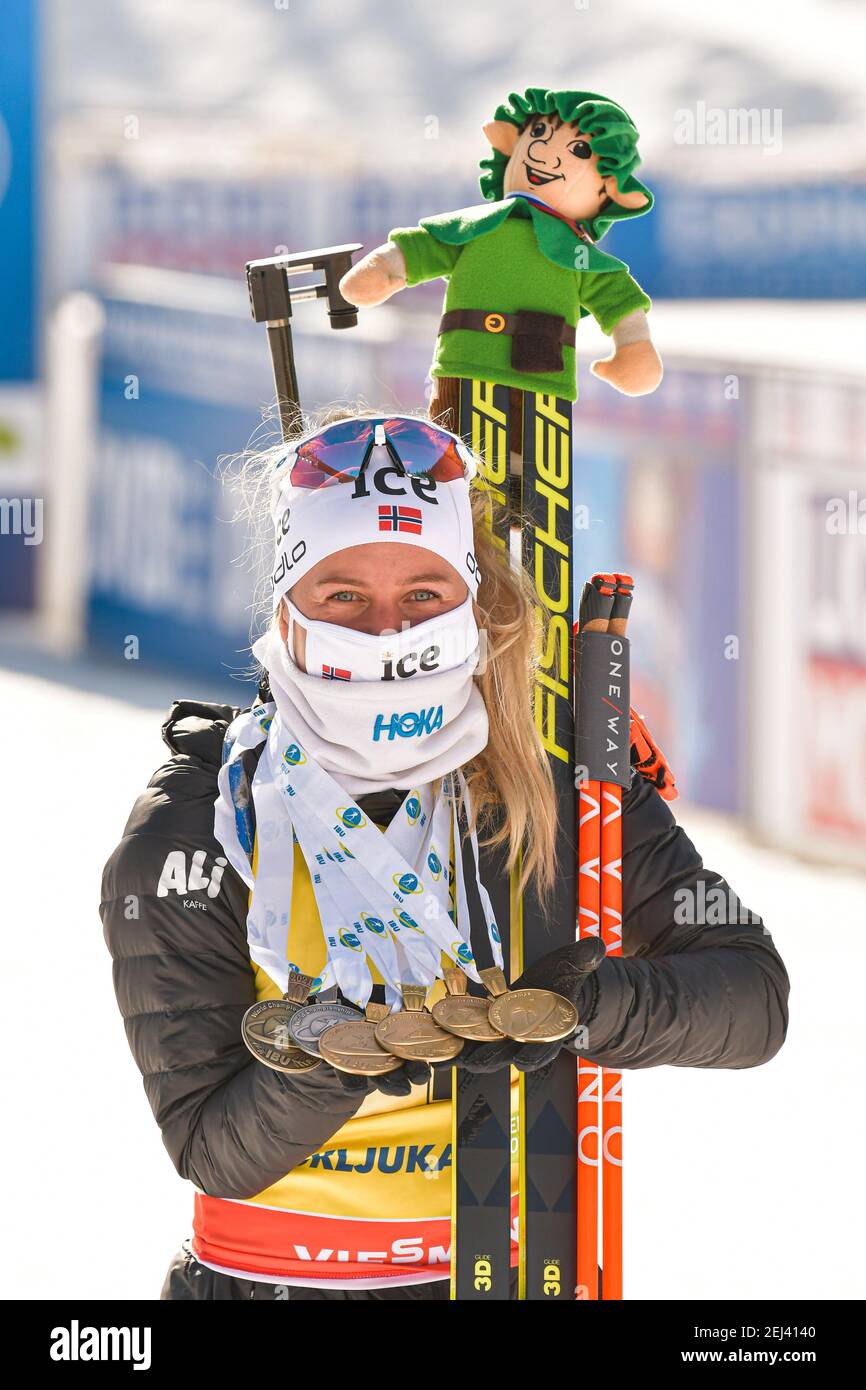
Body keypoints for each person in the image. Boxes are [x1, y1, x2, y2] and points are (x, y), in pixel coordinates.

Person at [99, 411, 789, 1301]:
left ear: (471, 601)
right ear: (286, 606)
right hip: (269, 1287)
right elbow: (212, 1150)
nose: (387, 633)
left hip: (502, 1274)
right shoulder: (205, 822)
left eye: (423, 594)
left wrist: (582, 1010)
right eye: (344, 594)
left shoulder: (555, 789)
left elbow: (753, 999)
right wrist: (335, 1056)